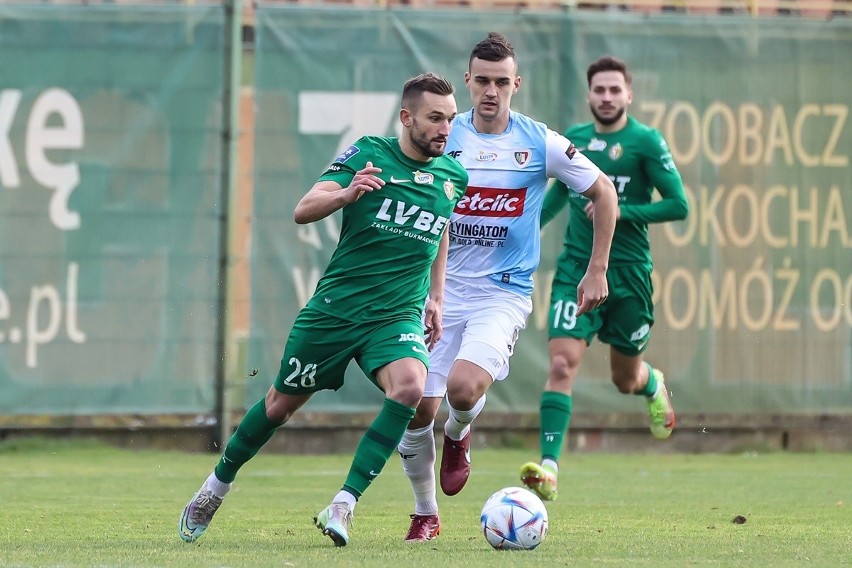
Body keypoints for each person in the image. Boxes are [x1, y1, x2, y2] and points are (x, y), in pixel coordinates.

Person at [177, 72, 468, 547]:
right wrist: (347, 194)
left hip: (395, 316)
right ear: (407, 116)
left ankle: (344, 503)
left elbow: (442, 229)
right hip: (335, 312)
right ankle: (216, 486)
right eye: (435, 118)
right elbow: (303, 208)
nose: (445, 128)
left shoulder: (453, 175)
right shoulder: (369, 154)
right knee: (278, 406)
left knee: (411, 386)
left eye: (451, 119)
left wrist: (437, 295)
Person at [397, 33, 618, 542]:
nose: (491, 91)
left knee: (462, 389)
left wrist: (597, 267)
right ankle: (425, 512)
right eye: (482, 81)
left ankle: (459, 432)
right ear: (468, 81)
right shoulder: (443, 138)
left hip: (503, 291)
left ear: (516, 84)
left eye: (501, 82)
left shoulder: (539, 142)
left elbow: (603, 191)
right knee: (416, 408)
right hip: (437, 289)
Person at [520, 56, 689, 502]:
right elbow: (557, 197)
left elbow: (679, 205)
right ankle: (550, 468)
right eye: (600, 90)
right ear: (589, 94)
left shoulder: (646, 143)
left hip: (629, 275)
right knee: (561, 364)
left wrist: (618, 208)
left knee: (624, 379)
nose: (608, 97)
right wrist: (522, 229)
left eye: (616, 90)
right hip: (577, 267)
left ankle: (651, 383)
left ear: (629, 94)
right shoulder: (574, 141)